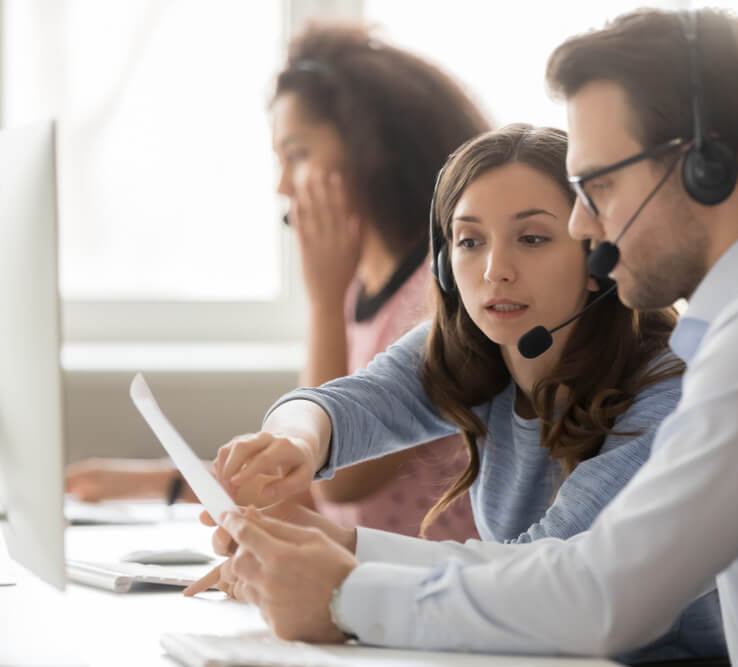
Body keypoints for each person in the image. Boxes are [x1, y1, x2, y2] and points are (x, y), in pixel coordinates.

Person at [201, 8, 738, 665]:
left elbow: (603, 595)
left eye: (600, 186)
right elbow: (596, 579)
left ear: (704, 169)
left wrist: (343, 593)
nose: (587, 223)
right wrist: (335, 560)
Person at [188, 123, 729, 660]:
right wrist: (294, 443)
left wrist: (340, 564)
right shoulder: (471, 348)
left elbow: (548, 573)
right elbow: (347, 403)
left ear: (597, 261)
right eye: (469, 242)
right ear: (446, 267)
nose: (495, 270)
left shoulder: (669, 392)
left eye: (533, 239)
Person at [65, 22, 491, 540]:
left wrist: (323, 298)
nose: (284, 185)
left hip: (420, 592)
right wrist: (159, 483)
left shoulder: (437, 291)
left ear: (369, 150)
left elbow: (341, 483)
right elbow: (305, 466)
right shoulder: (361, 290)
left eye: (298, 155)